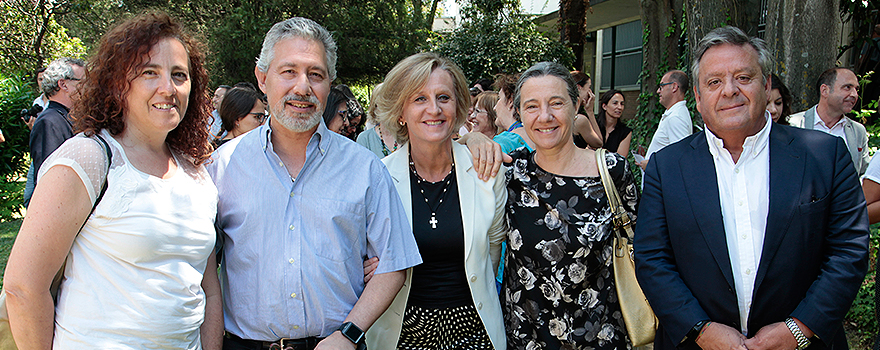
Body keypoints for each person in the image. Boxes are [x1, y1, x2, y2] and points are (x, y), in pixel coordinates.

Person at [634, 26, 869, 350]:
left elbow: (849, 249)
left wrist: (799, 329)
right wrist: (700, 330)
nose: (729, 90)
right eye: (714, 82)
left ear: (767, 85)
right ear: (699, 99)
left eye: (743, 77)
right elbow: (651, 258)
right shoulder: (668, 167)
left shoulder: (825, 155)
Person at [5, 12, 221, 349]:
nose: (168, 87)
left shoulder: (197, 173)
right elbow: (23, 287)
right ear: (119, 83)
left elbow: (206, 287)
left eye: (179, 75)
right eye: (150, 72)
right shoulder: (87, 158)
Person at [207, 17, 421, 350]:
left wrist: (350, 333)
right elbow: (204, 272)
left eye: (315, 74)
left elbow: (394, 263)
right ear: (262, 78)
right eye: (288, 71)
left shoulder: (364, 168)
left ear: (329, 83)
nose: (302, 87)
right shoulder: (222, 167)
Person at [366, 52, 507, 350]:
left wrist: (474, 139)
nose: (434, 109)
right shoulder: (377, 178)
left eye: (443, 97)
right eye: (419, 99)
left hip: (474, 331)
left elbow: (492, 253)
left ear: (457, 108)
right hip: (402, 333)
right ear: (401, 112)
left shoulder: (486, 171)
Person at [502, 61, 639, 349]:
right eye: (531, 106)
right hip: (529, 339)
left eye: (556, 103)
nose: (545, 116)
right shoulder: (510, 176)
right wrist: (474, 138)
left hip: (601, 336)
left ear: (575, 106)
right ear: (519, 114)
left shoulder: (612, 172)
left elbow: (644, 247)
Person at [789, 67, 870, 175]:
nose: (854, 95)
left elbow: (863, 174)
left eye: (856, 89)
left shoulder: (858, 131)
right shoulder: (793, 124)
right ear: (825, 90)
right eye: (847, 87)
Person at [27, 57, 87, 198]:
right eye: (83, 81)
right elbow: (49, 178)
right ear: (63, 85)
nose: (87, 86)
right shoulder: (49, 122)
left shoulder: (68, 116)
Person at [638, 69, 693, 170]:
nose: (658, 91)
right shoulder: (674, 114)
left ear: (674, 87)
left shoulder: (676, 117)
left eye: (662, 86)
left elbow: (680, 159)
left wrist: (651, 165)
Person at [491, 73, 534, 154]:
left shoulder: (502, 142)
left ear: (510, 101)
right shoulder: (540, 137)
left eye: (499, 99)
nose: (495, 108)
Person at [357, 83, 402, 157]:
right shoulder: (365, 139)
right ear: (375, 107)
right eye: (383, 104)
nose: (388, 108)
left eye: (392, 103)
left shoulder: (408, 136)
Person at [570, 71, 603, 149]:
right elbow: (598, 143)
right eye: (589, 87)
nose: (590, 93)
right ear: (579, 88)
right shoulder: (579, 120)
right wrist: (590, 111)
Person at [596, 89, 632, 156]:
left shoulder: (625, 132)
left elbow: (620, 159)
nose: (619, 107)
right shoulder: (594, 125)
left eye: (622, 104)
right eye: (615, 103)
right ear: (604, 106)